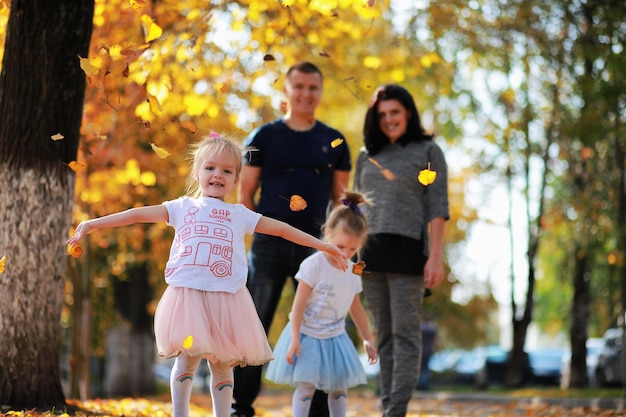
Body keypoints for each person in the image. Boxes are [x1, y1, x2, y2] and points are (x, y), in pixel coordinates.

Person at [66, 134, 348, 417]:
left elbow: (282, 229)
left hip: (227, 302)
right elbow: (136, 215)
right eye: (211, 168)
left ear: (236, 179)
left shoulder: (240, 215)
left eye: (227, 170)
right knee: (187, 361)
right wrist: (92, 223)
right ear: (197, 172)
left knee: (223, 365)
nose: (218, 175)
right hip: (188, 298)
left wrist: (322, 244)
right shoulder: (182, 208)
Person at [233, 61, 351, 417]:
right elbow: (245, 195)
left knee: (317, 325)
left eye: (312, 87)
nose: (305, 94)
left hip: (314, 248)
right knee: (255, 324)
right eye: (298, 86)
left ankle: (317, 408)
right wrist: (261, 229)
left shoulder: (335, 141)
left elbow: (341, 201)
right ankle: (241, 405)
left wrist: (336, 244)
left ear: (320, 91)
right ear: (286, 90)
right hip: (268, 247)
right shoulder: (262, 137)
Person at [353, 84, 449, 417]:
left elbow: (438, 206)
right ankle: (387, 407)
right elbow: (354, 208)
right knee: (384, 336)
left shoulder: (428, 151)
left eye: (395, 112)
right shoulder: (366, 155)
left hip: (409, 252)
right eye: (382, 115)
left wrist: (435, 257)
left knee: (406, 335)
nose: (389, 119)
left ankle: (395, 411)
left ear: (408, 112)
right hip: (370, 254)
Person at [265, 191, 378, 417]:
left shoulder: (353, 270)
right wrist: (295, 338)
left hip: (335, 337)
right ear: (327, 234)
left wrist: (367, 339)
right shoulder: (313, 265)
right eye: (340, 246)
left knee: (339, 387)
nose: (345, 254)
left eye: (353, 249)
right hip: (307, 335)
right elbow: (297, 305)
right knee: (306, 386)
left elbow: (355, 307)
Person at [417, 314, 437, 390]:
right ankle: (424, 385)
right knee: (425, 368)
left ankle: (419, 384)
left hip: (420, 350)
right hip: (428, 350)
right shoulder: (432, 329)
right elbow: (435, 341)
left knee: (419, 368)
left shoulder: (420, 328)